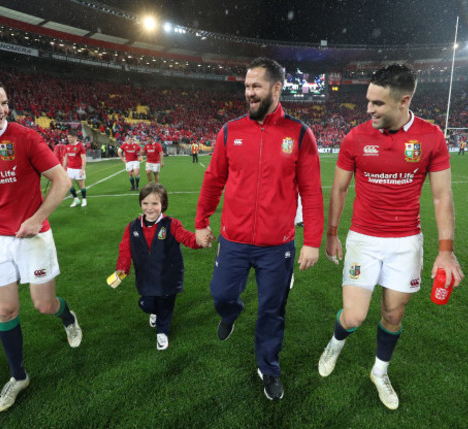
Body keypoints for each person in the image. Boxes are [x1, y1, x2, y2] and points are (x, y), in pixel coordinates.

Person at [317, 64, 465, 410]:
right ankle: (335, 344)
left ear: (404, 101)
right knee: (354, 316)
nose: (369, 110)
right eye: (368, 102)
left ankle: (379, 370)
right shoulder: (355, 138)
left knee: (393, 316)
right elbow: (339, 188)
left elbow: (442, 196)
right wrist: (332, 234)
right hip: (363, 240)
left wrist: (446, 251)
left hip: (405, 243)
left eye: (378, 104)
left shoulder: (431, 137)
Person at [0, 73, 82, 413]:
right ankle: (18, 375)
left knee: (44, 305)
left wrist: (37, 217)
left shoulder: (25, 137)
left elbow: (61, 181)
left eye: (5, 102)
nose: (1, 109)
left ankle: (67, 316)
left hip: (33, 235)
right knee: (6, 310)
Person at [195, 57, 324, 401]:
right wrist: (201, 221)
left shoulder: (299, 134)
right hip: (233, 240)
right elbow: (213, 180)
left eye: (256, 87)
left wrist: (311, 240)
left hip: (276, 246)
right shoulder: (229, 131)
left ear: (276, 89)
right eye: (247, 87)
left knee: (272, 309)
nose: (249, 94)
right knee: (221, 294)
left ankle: (268, 366)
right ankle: (231, 313)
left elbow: (311, 191)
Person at [114, 183, 201, 350]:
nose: (150, 208)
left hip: (168, 276)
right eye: (145, 203)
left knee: (165, 306)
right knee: (146, 304)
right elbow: (125, 249)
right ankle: (153, 312)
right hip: (146, 276)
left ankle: (162, 332)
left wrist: (199, 241)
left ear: (163, 204)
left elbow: (186, 237)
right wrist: (122, 269)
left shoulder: (172, 224)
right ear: (141, 204)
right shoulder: (133, 227)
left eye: (155, 203)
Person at [62, 130, 87, 207]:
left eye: (70, 137)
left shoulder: (80, 146)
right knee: (69, 184)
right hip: (70, 169)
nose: (68, 139)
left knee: (81, 185)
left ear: (75, 137)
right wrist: (63, 169)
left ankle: (84, 200)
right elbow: (65, 158)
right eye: (67, 137)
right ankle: (76, 199)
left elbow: (83, 158)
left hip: (78, 169)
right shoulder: (67, 147)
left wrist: (83, 169)